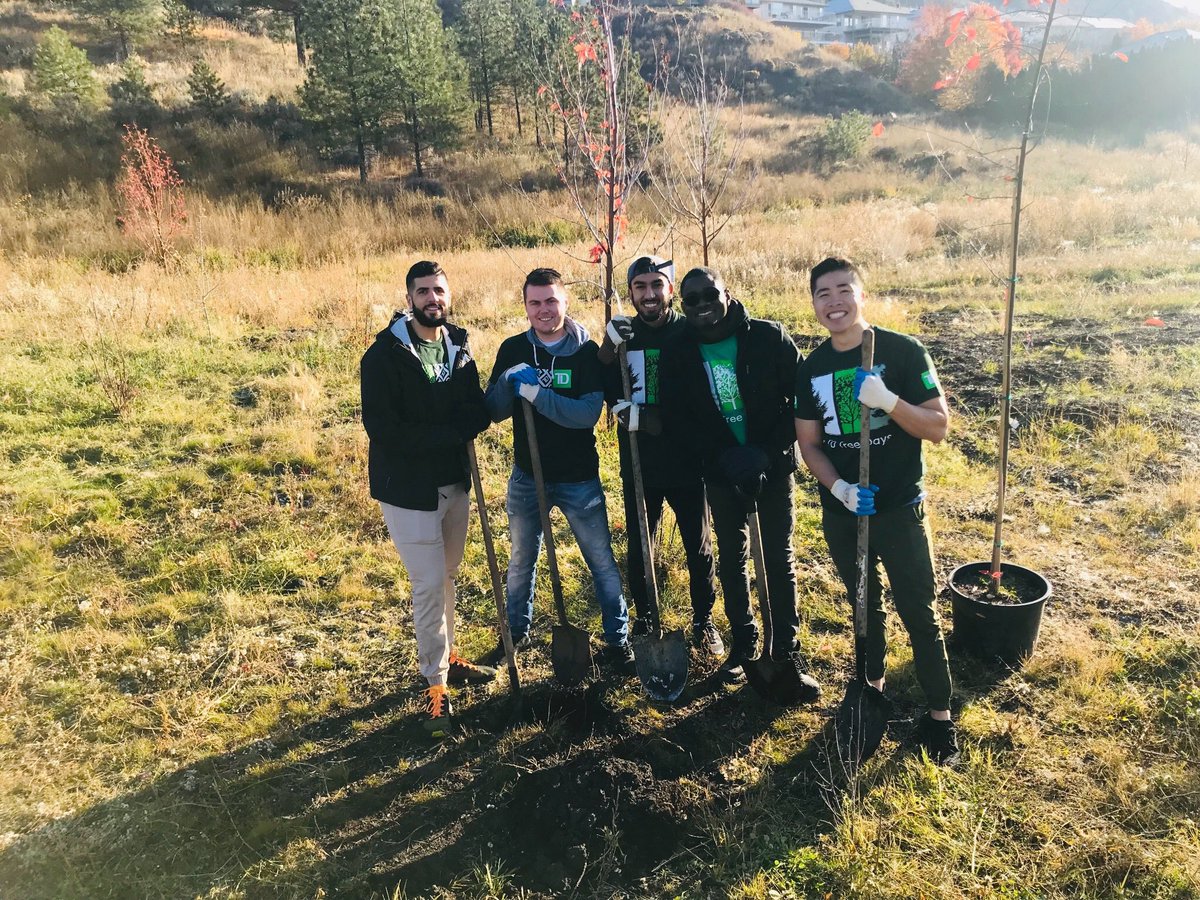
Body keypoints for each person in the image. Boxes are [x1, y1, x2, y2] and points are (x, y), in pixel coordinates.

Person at [793, 257, 958, 763]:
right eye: (824, 293)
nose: (835, 301)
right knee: (864, 607)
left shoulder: (903, 352)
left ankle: (940, 718)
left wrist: (889, 401)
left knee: (919, 611)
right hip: (846, 514)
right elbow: (809, 444)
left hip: (899, 509)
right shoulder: (813, 367)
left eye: (844, 289)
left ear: (861, 294)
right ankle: (872, 693)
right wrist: (840, 487)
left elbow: (937, 425)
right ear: (815, 303)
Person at [659, 266, 816, 691]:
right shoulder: (677, 350)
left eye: (710, 295)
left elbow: (802, 398)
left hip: (772, 463)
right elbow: (676, 418)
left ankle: (784, 650)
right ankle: (744, 644)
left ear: (727, 293)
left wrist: (764, 451)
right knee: (732, 557)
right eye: (691, 300)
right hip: (720, 469)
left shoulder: (768, 337)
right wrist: (720, 456)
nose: (703, 306)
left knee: (778, 559)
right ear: (682, 305)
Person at [360, 260, 498, 736]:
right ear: (409, 299)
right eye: (423, 292)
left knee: (449, 577)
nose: (432, 299)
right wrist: (450, 432)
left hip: (453, 483)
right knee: (428, 584)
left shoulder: (458, 347)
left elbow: (473, 408)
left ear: (449, 295)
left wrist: (472, 419)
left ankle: (448, 655)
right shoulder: (383, 357)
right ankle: (434, 684)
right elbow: (384, 429)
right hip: (408, 490)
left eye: (439, 290)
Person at [483, 267, 634, 673]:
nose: (544, 310)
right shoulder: (512, 349)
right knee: (520, 560)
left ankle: (617, 641)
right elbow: (494, 412)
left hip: (577, 478)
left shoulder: (586, 354)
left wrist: (537, 393)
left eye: (551, 300)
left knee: (600, 559)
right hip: (527, 476)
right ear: (526, 306)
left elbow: (585, 415)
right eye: (535, 302)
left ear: (565, 302)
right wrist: (507, 383)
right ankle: (515, 631)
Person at [598, 256, 723, 658]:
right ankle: (646, 619)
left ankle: (704, 621)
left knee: (698, 545)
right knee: (640, 546)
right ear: (631, 292)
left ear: (670, 290)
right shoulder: (625, 335)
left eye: (657, 285)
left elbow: (701, 401)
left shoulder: (689, 333)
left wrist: (649, 419)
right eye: (640, 287)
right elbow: (601, 380)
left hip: (688, 460)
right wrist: (607, 346)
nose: (649, 294)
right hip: (639, 464)